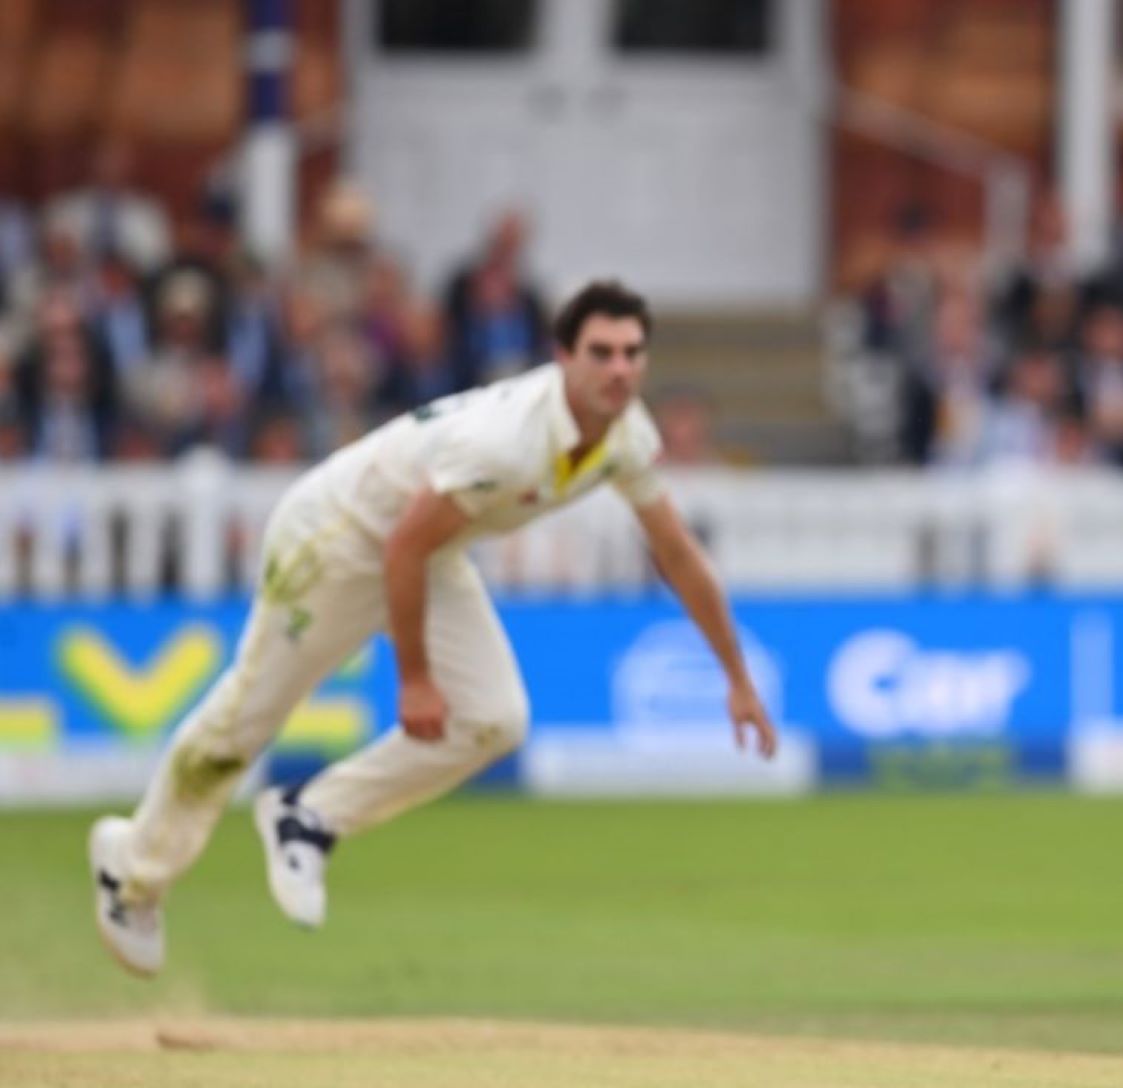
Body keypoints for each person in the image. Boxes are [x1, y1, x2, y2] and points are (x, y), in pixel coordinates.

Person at [88, 280, 778, 977]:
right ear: (563, 357)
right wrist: (414, 679)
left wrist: (738, 679)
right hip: (335, 539)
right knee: (247, 721)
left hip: (424, 549)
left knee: (493, 720)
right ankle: (132, 872)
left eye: (633, 354)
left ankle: (309, 815)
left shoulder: (627, 435)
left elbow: (679, 554)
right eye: (602, 353)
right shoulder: (508, 442)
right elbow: (402, 547)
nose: (620, 370)